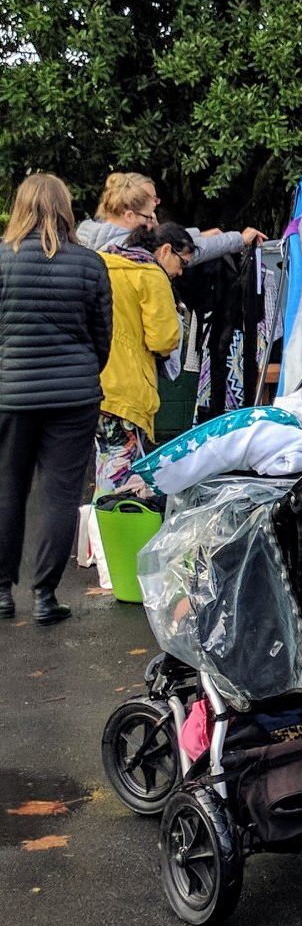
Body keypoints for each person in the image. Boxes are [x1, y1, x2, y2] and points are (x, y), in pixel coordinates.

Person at [0, 174, 113, 625]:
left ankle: (2, 593)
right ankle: (45, 596)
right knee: (60, 494)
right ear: (65, 209)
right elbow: (102, 336)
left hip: (9, 394)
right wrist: (82, 370)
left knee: (7, 488)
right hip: (74, 394)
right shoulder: (88, 264)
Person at [96, 223, 191, 491]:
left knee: (103, 462)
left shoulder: (103, 263)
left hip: (90, 382)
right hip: (126, 388)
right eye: (182, 262)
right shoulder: (150, 274)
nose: (181, 272)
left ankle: (95, 528)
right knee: (121, 475)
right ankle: (113, 528)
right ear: (165, 250)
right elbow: (163, 340)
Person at [76, 170, 266, 261]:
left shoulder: (88, 235)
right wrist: (239, 239)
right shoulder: (130, 249)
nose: (154, 219)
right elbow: (179, 250)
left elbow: (166, 238)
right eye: (148, 217)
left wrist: (196, 234)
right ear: (129, 215)